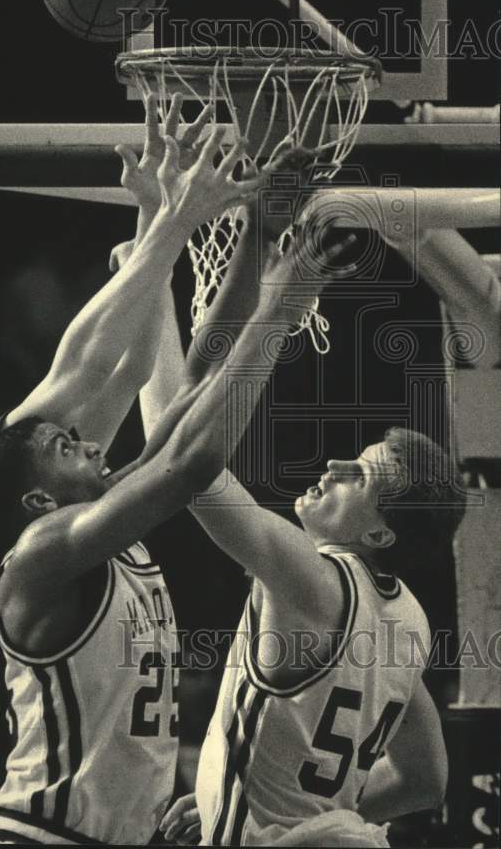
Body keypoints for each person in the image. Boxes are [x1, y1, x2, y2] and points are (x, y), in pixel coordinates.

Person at [0, 97, 256, 844]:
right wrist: (171, 222)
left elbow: (125, 376)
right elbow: (82, 369)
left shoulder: (23, 506)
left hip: (15, 819)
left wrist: (151, 222)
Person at [0, 154, 346, 845]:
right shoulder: (42, 554)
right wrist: (279, 309)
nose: (88, 444)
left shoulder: (99, 524)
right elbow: (190, 462)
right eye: (64, 448)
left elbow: (196, 387)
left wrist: (258, 238)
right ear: (32, 500)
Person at [138, 201, 465, 847]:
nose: (337, 462)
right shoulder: (412, 627)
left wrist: (152, 293)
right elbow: (428, 780)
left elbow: (178, 467)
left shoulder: (312, 578)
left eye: (360, 476)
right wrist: (306, 817)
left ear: (379, 535)